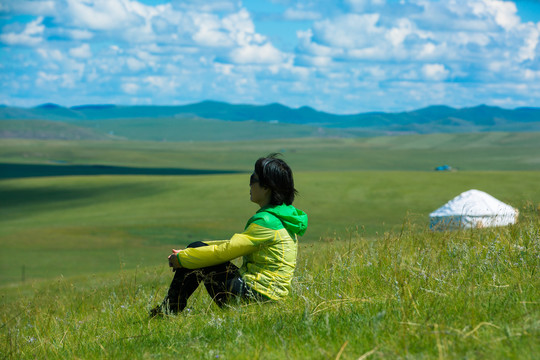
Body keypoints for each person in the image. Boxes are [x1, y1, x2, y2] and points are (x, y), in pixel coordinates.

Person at [150, 154, 308, 316]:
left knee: (197, 253)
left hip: (256, 297)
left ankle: (167, 312)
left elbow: (226, 251)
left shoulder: (266, 220)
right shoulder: (284, 217)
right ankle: (168, 311)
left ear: (266, 186)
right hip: (270, 298)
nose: (249, 184)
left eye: (253, 178)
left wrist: (183, 259)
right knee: (196, 249)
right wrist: (190, 252)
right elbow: (235, 243)